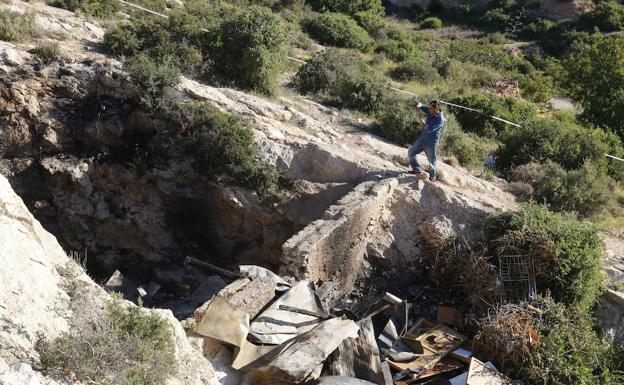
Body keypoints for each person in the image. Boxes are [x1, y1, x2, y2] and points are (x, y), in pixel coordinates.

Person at [408, 100, 446, 183]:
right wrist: (419, 105)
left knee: (431, 162)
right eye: (429, 108)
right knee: (411, 153)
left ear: (437, 109)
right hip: (423, 139)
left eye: (431, 109)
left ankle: (432, 177)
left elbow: (428, 129)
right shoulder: (430, 111)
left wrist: (421, 119)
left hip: (431, 143)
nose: (429, 110)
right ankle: (417, 169)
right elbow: (421, 106)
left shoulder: (440, 120)